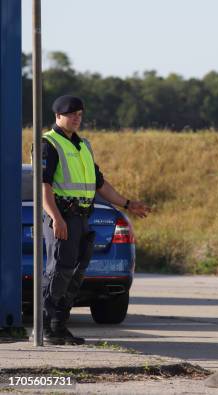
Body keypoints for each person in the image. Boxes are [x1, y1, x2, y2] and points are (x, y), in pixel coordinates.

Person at [41, 95, 151, 345]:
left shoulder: (83, 146)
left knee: (76, 272)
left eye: (80, 114)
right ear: (58, 116)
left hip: (82, 217)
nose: (77, 118)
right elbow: (43, 186)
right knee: (59, 271)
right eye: (71, 114)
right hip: (64, 217)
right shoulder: (49, 143)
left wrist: (127, 204)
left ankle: (60, 325)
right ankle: (47, 327)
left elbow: (99, 183)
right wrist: (56, 218)